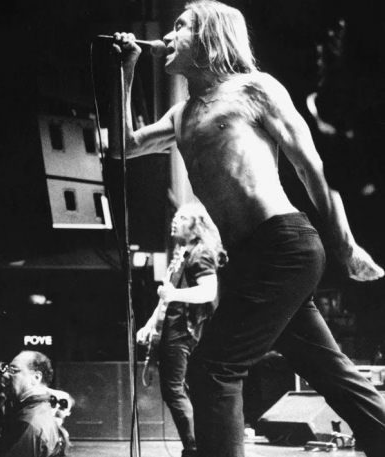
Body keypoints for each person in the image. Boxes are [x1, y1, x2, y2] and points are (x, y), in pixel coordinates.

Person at [109, 1, 385, 456]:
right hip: (247, 258)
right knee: (327, 368)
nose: (169, 36)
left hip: (283, 245)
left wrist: (347, 246)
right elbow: (123, 147)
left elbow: (311, 166)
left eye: (181, 26)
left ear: (210, 37)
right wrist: (127, 72)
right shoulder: (181, 114)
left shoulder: (255, 89)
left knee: (212, 368)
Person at [135, 202, 224, 457]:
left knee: (174, 390)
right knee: (178, 390)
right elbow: (167, 298)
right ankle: (198, 445)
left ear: (196, 226)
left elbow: (208, 292)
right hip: (173, 328)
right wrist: (150, 324)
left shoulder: (200, 253)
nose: (175, 221)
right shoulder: (183, 253)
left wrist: (174, 294)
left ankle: (195, 447)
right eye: (176, 217)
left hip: (183, 332)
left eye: (183, 218)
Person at [0, 350, 63, 457]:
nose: (6, 375)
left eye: (13, 370)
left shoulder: (28, 422)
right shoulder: (38, 410)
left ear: (36, 377)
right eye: (8, 369)